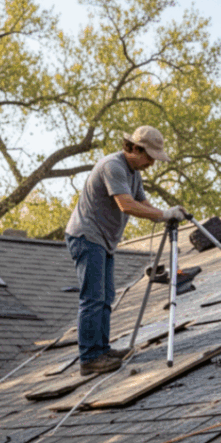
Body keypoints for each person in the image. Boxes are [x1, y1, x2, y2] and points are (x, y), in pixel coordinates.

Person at [64, 126, 187, 375]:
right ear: (134, 148)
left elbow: (143, 203)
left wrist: (166, 214)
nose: (152, 163)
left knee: (106, 296)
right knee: (93, 298)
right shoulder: (114, 166)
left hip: (103, 240)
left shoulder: (134, 173)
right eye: (149, 157)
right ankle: (89, 358)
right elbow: (126, 204)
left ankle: (102, 350)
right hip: (86, 237)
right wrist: (163, 215)